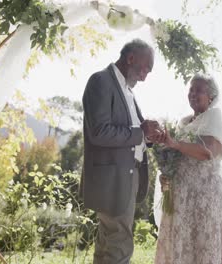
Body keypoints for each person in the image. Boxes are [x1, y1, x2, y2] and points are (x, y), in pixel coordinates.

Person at [82, 39, 162, 264]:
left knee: (108, 242)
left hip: (127, 175)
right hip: (113, 178)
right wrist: (139, 132)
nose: (145, 76)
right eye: (145, 68)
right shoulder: (100, 81)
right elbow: (99, 132)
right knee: (120, 243)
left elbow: (130, 132)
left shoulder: (127, 90)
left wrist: (148, 135)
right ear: (131, 58)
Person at [154, 73, 222, 264]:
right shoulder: (183, 123)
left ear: (211, 96)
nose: (193, 93)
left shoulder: (218, 121)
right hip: (181, 197)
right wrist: (166, 173)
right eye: (191, 89)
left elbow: (207, 152)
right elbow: (177, 157)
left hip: (205, 196)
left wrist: (175, 144)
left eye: (199, 90)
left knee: (204, 248)